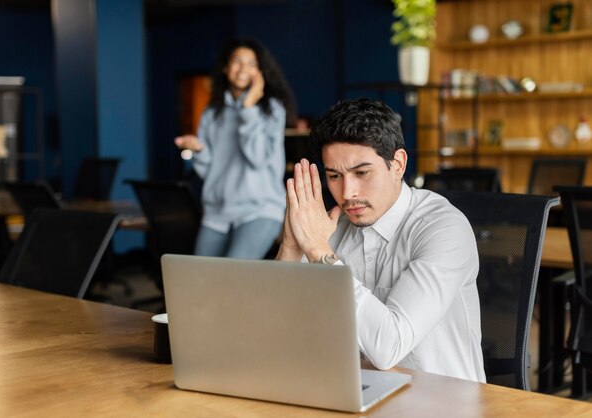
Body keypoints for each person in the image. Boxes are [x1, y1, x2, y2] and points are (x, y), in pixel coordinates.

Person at [276, 98, 486, 383]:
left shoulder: (443, 227)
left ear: (397, 164)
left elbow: (389, 348)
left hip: (442, 402)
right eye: (335, 176)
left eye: (362, 173)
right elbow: (275, 329)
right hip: (356, 394)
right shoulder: (331, 229)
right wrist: (290, 247)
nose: (348, 192)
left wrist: (317, 250)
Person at [175, 38, 296, 259]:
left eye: (252, 63)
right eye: (237, 61)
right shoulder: (212, 113)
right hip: (217, 212)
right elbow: (207, 171)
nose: (243, 68)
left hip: (260, 210)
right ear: (225, 68)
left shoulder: (271, 110)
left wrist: (248, 108)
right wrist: (199, 150)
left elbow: (258, 159)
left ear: (260, 72)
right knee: (198, 279)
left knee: (233, 279)